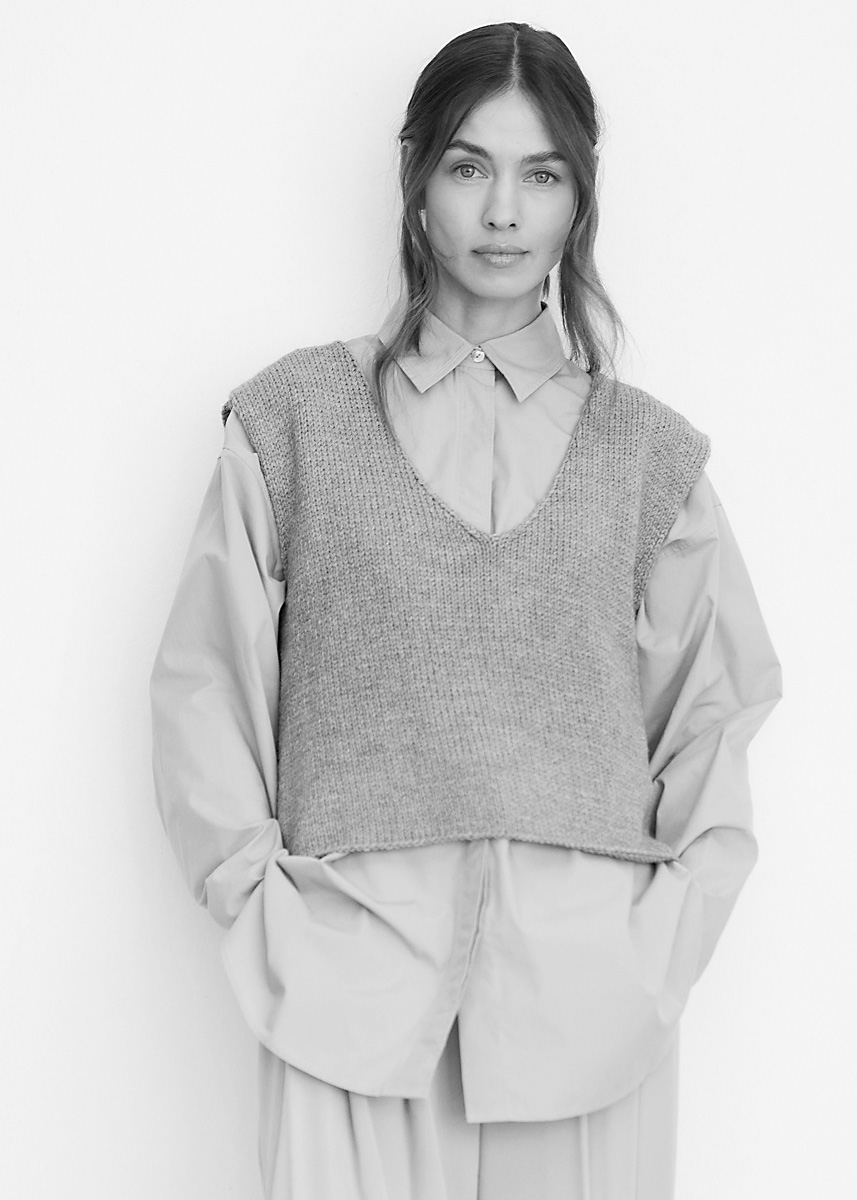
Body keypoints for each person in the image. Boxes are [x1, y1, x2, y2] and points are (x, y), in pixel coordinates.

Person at [150, 21, 781, 1200]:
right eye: (467, 165)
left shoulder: (647, 458)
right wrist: (261, 909)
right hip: (345, 998)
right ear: (415, 180)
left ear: (579, 197)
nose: (501, 212)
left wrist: (659, 943)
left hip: (586, 1011)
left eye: (540, 175)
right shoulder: (292, 422)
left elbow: (713, 714)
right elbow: (205, 692)